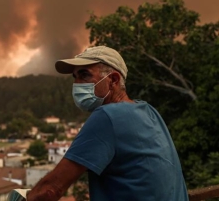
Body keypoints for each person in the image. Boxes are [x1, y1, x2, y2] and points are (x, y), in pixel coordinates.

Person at [26, 46, 189, 201]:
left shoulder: (107, 116)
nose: (77, 84)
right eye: (75, 77)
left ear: (113, 80)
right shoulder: (149, 111)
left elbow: (50, 190)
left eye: (84, 75)